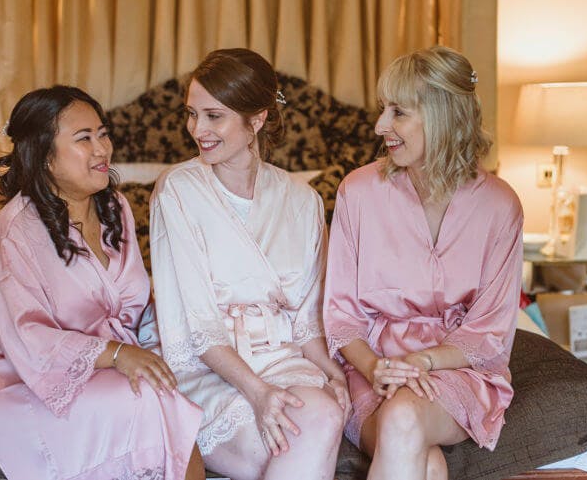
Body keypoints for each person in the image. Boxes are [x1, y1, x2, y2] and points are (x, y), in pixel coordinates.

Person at [0, 85, 204, 480]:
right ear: (45, 156)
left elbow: (138, 305)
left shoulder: (115, 207)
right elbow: (28, 337)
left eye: (103, 133)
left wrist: (163, 351)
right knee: (148, 396)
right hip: (30, 379)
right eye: (84, 138)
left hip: (115, 360)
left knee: (165, 385)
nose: (103, 149)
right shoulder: (12, 236)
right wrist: (116, 354)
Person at [323, 46, 523, 480]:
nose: (380, 127)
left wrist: (425, 362)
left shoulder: (500, 206)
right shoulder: (357, 193)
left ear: (441, 115)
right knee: (426, 462)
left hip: (460, 370)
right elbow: (340, 316)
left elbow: (490, 332)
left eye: (398, 112)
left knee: (403, 418)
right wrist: (378, 367)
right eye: (383, 110)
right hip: (372, 369)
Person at [150, 48, 350, 480]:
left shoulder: (304, 201)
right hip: (211, 368)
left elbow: (307, 322)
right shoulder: (178, 190)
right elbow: (197, 324)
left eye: (213, 116)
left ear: (256, 120)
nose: (197, 130)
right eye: (191, 114)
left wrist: (336, 374)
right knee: (310, 434)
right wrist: (259, 395)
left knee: (327, 411)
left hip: (284, 360)